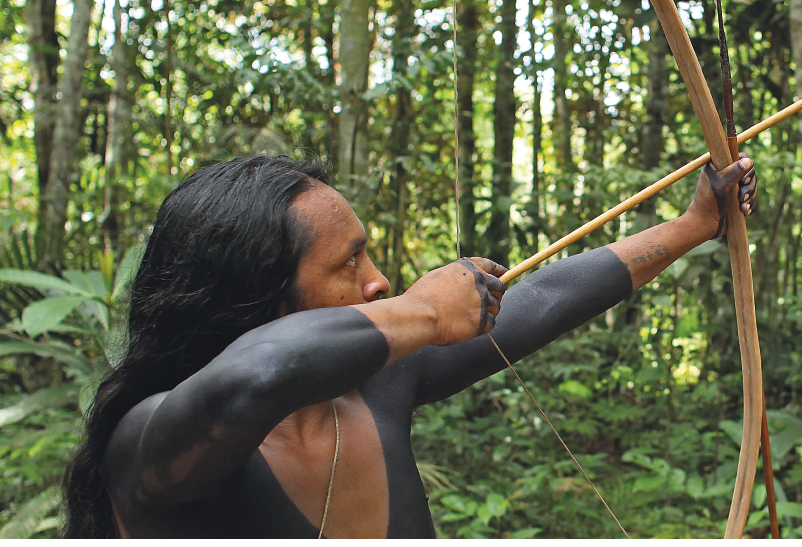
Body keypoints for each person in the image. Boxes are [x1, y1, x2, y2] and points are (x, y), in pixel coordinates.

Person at [61, 152, 758, 537]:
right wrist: (423, 310)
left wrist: (694, 224)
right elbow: (258, 375)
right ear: (258, 295)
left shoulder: (376, 383)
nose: (379, 280)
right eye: (347, 264)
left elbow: (543, 299)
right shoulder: (154, 441)